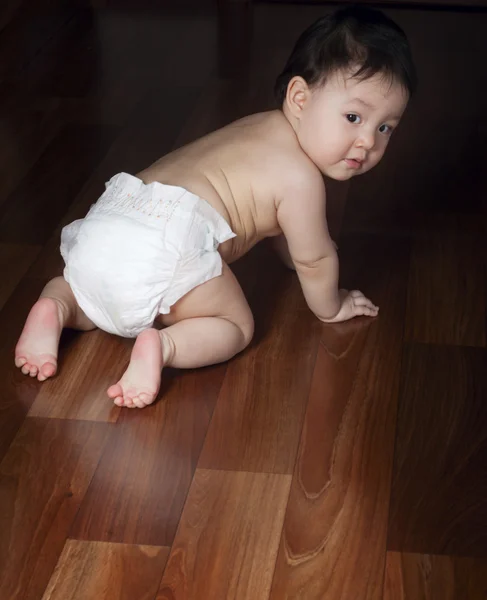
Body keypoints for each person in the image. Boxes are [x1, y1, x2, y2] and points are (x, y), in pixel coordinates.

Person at [15, 5, 416, 408]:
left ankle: (56, 304)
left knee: (90, 296)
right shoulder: (301, 178)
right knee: (236, 326)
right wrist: (333, 305)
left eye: (385, 128)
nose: (368, 141)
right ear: (299, 97)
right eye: (353, 117)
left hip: (114, 215)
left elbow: (282, 225)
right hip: (166, 244)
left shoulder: (257, 126)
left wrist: (293, 254)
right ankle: (164, 346)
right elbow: (315, 260)